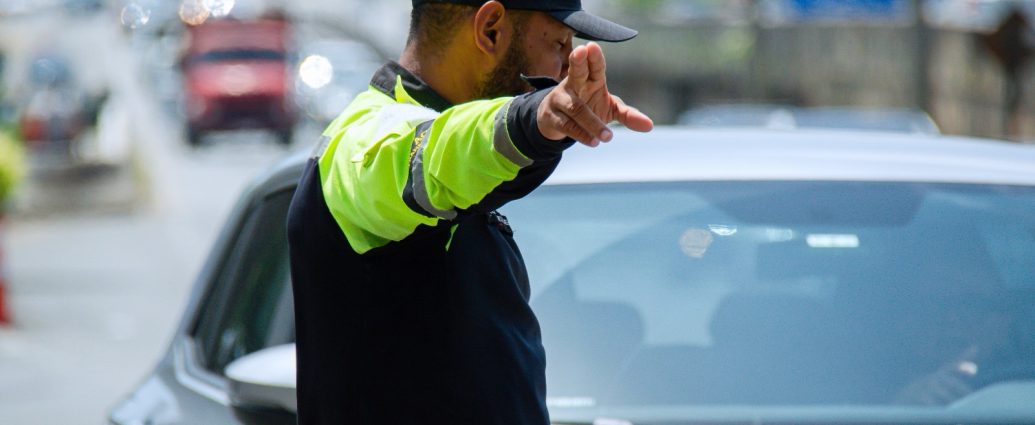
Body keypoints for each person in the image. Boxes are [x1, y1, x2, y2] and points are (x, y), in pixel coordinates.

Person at [286, 1, 653, 424]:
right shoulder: (363, 141)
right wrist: (531, 120)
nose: (566, 71)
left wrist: (542, 126)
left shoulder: (468, 179)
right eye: (559, 45)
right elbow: (436, 155)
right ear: (491, 29)